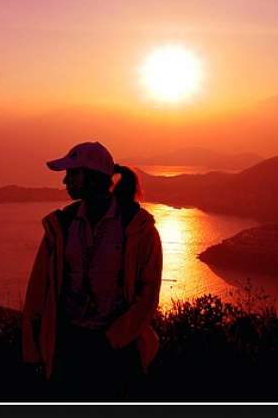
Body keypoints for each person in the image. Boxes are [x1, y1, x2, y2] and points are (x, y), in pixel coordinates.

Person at [22, 141, 163, 401]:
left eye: (73, 174)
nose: (65, 181)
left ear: (94, 177)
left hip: (117, 352)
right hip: (68, 347)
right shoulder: (61, 226)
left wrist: (113, 339)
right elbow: (38, 292)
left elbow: (148, 293)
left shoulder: (138, 228)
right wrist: (33, 353)